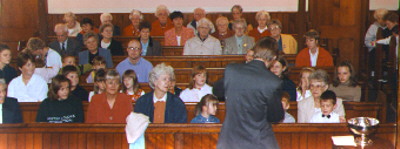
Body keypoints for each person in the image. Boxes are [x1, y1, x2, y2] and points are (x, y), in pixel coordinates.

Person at [217, 37, 284, 149]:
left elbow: (217, 91)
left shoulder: (232, 70)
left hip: (230, 141)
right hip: (258, 141)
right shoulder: (273, 82)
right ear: (274, 57)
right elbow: (275, 117)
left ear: (255, 51)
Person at [365, 9, 390, 75]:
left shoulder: (389, 27)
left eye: (383, 18)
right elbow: (367, 42)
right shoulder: (373, 27)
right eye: (379, 18)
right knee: (376, 54)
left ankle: (387, 73)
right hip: (375, 48)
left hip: (387, 48)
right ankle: (374, 74)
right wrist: (376, 44)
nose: (382, 20)